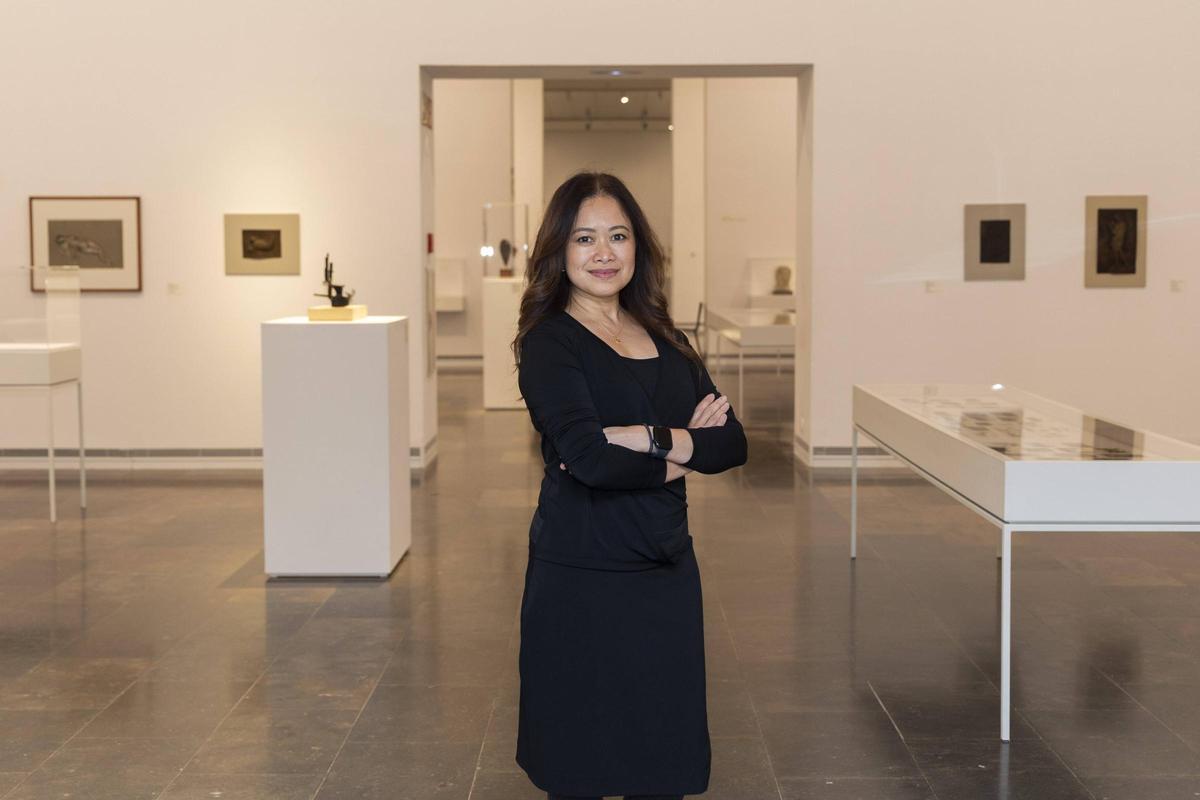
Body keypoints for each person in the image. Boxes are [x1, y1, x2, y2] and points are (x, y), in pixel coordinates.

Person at [512, 172, 748, 800]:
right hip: (582, 575)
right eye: (584, 238)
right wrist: (686, 446)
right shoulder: (550, 343)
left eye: (618, 236)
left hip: (666, 570)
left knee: (660, 763)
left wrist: (645, 436)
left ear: (638, 246)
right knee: (582, 766)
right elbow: (590, 461)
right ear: (559, 250)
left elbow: (732, 444)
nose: (604, 253)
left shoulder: (669, 338)